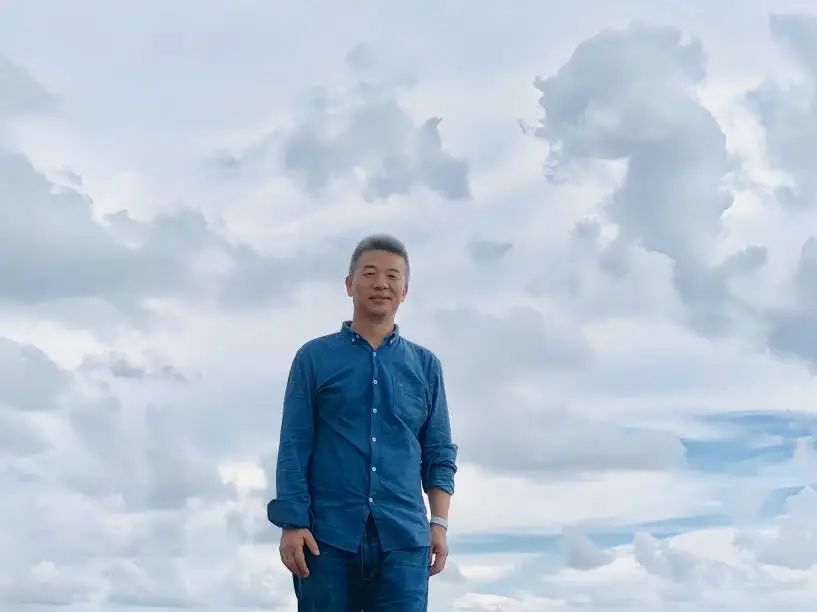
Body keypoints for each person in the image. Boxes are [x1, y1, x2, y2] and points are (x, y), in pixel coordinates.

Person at [267, 233, 458, 611]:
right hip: (325, 539)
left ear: (405, 290)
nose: (381, 283)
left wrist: (439, 523)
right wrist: (292, 523)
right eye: (369, 273)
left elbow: (438, 452)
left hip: (404, 540)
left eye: (392, 275)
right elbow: (294, 445)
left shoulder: (425, 366)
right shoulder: (313, 358)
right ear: (349, 284)